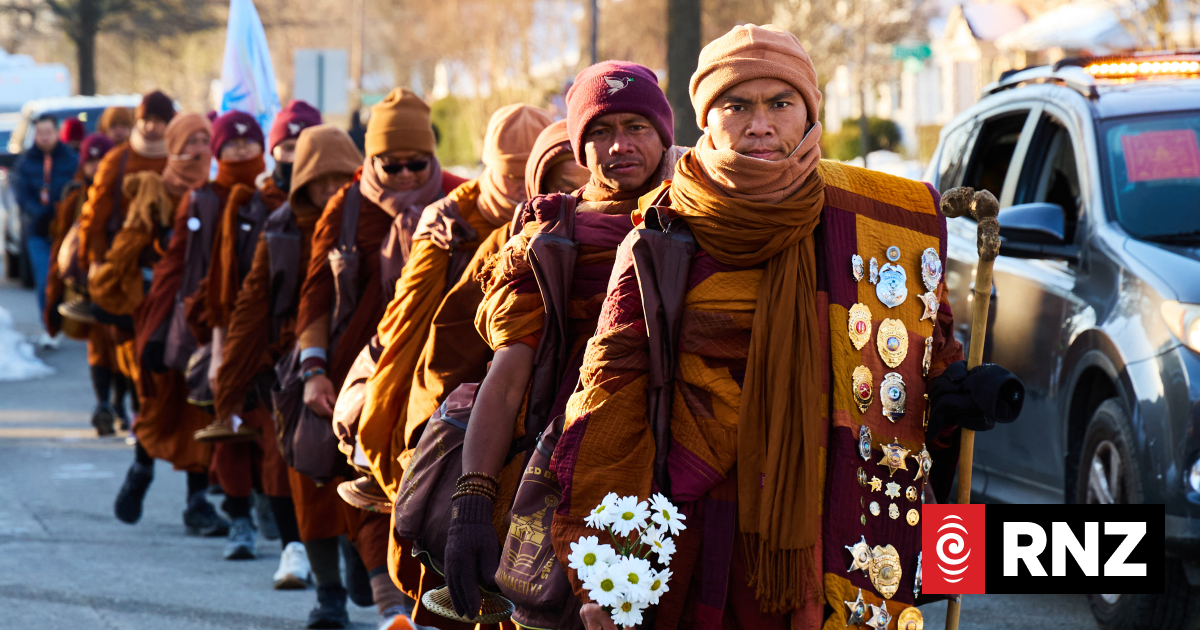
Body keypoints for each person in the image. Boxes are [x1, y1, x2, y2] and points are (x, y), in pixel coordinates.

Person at [548, 25, 1022, 630]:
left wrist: (960, 392)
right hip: (697, 537)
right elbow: (609, 394)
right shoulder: (663, 233)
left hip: (840, 520)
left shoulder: (881, 223)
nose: (760, 125)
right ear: (705, 120)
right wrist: (605, 572)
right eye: (736, 105)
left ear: (808, 114)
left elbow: (923, 364)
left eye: (781, 104)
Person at [442, 60, 683, 620]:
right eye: (599, 131)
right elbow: (508, 374)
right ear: (580, 145)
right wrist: (473, 498)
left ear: (664, 133)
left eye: (636, 127)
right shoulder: (552, 234)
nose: (619, 145)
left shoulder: (706, 219)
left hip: (681, 466)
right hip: (560, 466)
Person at [292, 87, 466, 629]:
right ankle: (383, 603)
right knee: (357, 485)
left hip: (434, 371)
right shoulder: (346, 209)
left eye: (419, 163)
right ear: (370, 160)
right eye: (394, 166)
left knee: (414, 485)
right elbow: (315, 298)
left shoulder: (462, 198)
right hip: (356, 374)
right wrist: (313, 370)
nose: (409, 176)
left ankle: (400, 603)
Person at [353, 103, 553, 505]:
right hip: (445, 370)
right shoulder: (449, 221)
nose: (519, 189)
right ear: (489, 166)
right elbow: (406, 322)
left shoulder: (556, 219)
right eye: (508, 176)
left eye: (528, 177)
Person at [213, 124, 361, 596]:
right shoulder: (280, 227)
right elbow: (253, 302)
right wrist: (230, 376)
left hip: (364, 361)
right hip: (295, 366)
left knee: (364, 471)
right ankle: (316, 578)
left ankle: (364, 566)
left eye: (339, 181)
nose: (328, 192)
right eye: (318, 182)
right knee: (295, 470)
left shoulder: (377, 219)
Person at [194, 104, 320, 563]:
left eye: (305, 147)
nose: (295, 157)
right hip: (252, 341)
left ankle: (300, 541)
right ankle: (247, 520)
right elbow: (225, 287)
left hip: (305, 347)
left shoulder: (339, 208)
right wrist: (220, 350)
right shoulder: (246, 207)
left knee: (283, 449)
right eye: (287, 147)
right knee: (237, 431)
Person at [75, 91, 176, 431]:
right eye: (147, 119)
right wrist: (96, 262)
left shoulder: (178, 160)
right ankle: (128, 407)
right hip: (121, 268)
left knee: (153, 341)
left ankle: (145, 411)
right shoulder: (116, 160)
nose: (151, 127)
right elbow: (95, 215)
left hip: (163, 269)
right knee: (118, 340)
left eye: (159, 121)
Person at [43, 132, 120, 432]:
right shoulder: (75, 196)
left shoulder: (124, 193)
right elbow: (60, 246)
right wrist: (53, 296)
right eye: (92, 160)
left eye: (104, 160)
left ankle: (120, 403)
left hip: (118, 283)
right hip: (85, 287)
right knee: (99, 347)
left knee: (121, 347)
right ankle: (104, 404)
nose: (98, 166)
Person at [14, 113, 79, 350]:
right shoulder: (26, 162)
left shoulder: (71, 160)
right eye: (40, 133)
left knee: (70, 278)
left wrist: (62, 210)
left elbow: (77, 190)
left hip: (65, 231)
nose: (44, 137)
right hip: (37, 232)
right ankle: (49, 326)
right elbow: (21, 196)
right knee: (44, 279)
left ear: (56, 132)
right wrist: (37, 211)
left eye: (48, 132)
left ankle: (71, 320)